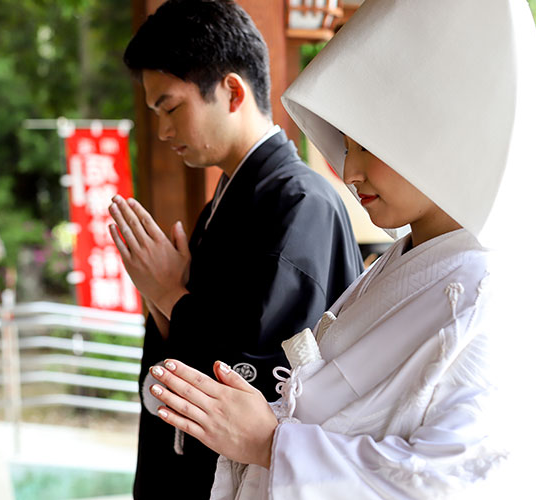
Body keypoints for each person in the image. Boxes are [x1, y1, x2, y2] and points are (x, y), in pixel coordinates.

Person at [142, 0, 536, 498]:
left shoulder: (487, 300)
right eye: (345, 146)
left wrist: (273, 443)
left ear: (442, 137)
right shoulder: (401, 264)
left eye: (369, 146)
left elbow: (454, 482)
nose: (349, 171)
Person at [108, 1, 363, 498]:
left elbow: (265, 379)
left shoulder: (300, 204)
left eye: (171, 108)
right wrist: (167, 306)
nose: (162, 132)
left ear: (230, 91)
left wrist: (170, 293)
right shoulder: (226, 202)